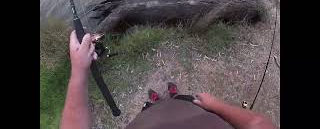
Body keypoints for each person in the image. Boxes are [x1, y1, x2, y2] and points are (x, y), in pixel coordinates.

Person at [61, 31, 276, 129]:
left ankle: (154, 104)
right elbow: (258, 124)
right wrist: (216, 105)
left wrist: (79, 70)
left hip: (147, 122)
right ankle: (173, 97)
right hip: (194, 113)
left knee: (151, 110)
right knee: (184, 101)